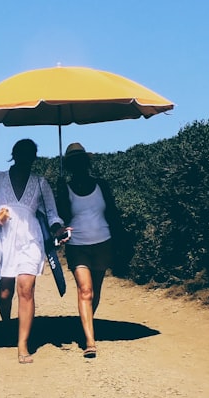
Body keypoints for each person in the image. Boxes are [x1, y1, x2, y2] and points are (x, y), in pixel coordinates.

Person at [0, 139, 69, 364]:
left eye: (30, 154)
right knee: (5, 293)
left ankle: (22, 344)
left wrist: (58, 228)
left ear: (34, 157)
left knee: (26, 289)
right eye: (22, 154)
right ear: (14, 155)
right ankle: (6, 324)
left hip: (30, 241)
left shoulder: (40, 183)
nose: (26, 158)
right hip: (3, 241)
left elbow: (52, 214)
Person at [56, 142, 122, 359]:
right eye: (74, 163)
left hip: (104, 243)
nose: (79, 166)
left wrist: (121, 241)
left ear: (86, 163)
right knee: (86, 291)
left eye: (80, 162)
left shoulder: (102, 185)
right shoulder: (64, 188)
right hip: (78, 246)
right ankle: (89, 341)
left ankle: (86, 326)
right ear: (70, 167)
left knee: (96, 291)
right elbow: (63, 216)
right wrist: (60, 191)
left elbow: (112, 212)